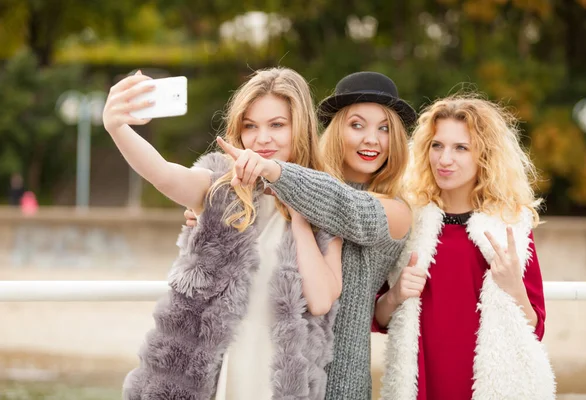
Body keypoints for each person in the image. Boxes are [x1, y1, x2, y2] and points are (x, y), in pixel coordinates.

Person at [103, 67, 343, 400]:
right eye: (250, 126)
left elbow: (319, 300)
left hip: (277, 379)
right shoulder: (222, 185)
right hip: (211, 373)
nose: (262, 139)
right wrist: (117, 128)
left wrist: (299, 213)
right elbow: (164, 176)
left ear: (300, 128)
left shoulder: (325, 201)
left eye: (277, 125)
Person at [206, 71, 415, 400]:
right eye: (357, 125)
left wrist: (275, 171)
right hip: (273, 375)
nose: (371, 139)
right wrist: (206, 215)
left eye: (384, 128)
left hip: (339, 383)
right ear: (334, 131)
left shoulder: (395, 211)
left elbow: (342, 205)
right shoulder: (289, 191)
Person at [377, 96, 556, 400]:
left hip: (488, 388)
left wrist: (515, 288)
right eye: (437, 145)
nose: (444, 159)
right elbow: (378, 318)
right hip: (421, 386)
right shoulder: (408, 220)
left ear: (484, 155)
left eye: (460, 147)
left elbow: (535, 328)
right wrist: (395, 295)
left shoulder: (509, 226)